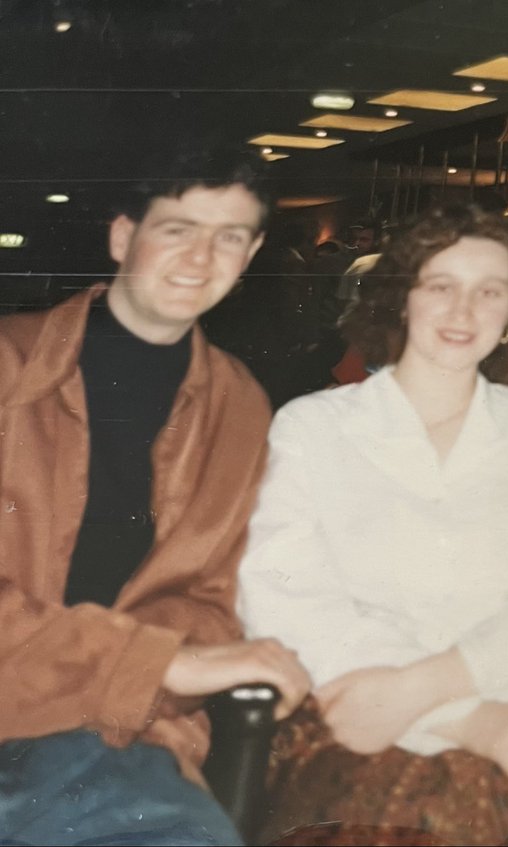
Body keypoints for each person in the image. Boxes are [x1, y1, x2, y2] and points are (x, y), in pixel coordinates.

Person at [237, 204, 508, 845]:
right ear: (400, 299)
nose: (463, 312)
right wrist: (464, 718)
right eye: (441, 287)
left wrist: (439, 683)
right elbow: (280, 598)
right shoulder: (314, 427)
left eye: (490, 291)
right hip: (357, 710)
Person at [0, 146, 311, 846]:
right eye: (178, 229)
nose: (200, 259)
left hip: (105, 738)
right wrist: (154, 661)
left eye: (229, 237)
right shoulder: (8, 363)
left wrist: (154, 674)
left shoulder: (240, 407)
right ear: (122, 236)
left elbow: (213, 598)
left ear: (253, 251)